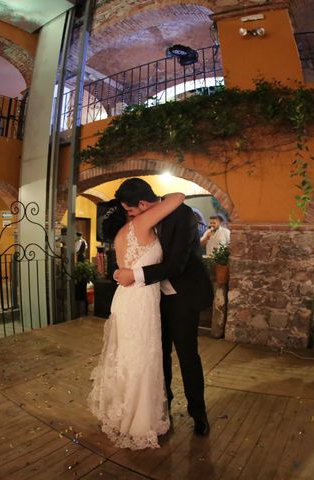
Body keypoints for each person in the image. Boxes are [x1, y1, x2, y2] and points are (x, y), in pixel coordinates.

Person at [113, 178, 214, 437]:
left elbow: (176, 265)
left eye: (132, 210)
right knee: (158, 356)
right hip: (152, 300)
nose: (130, 216)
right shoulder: (142, 221)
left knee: (187, 356)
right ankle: (162, 408)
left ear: (144, 204)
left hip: (182, 295)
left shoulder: (183, 215)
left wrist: (133, 275)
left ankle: (198, 413)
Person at [88, 190, 186, 450]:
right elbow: (179, 196)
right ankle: (138, 422)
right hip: (140, 301)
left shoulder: (122, 233)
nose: (140, 210)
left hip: (127, 298)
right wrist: (154, 201)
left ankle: (122, 414)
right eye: (133, 208)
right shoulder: (139, 224)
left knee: (129, 357)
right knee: (141, 358)